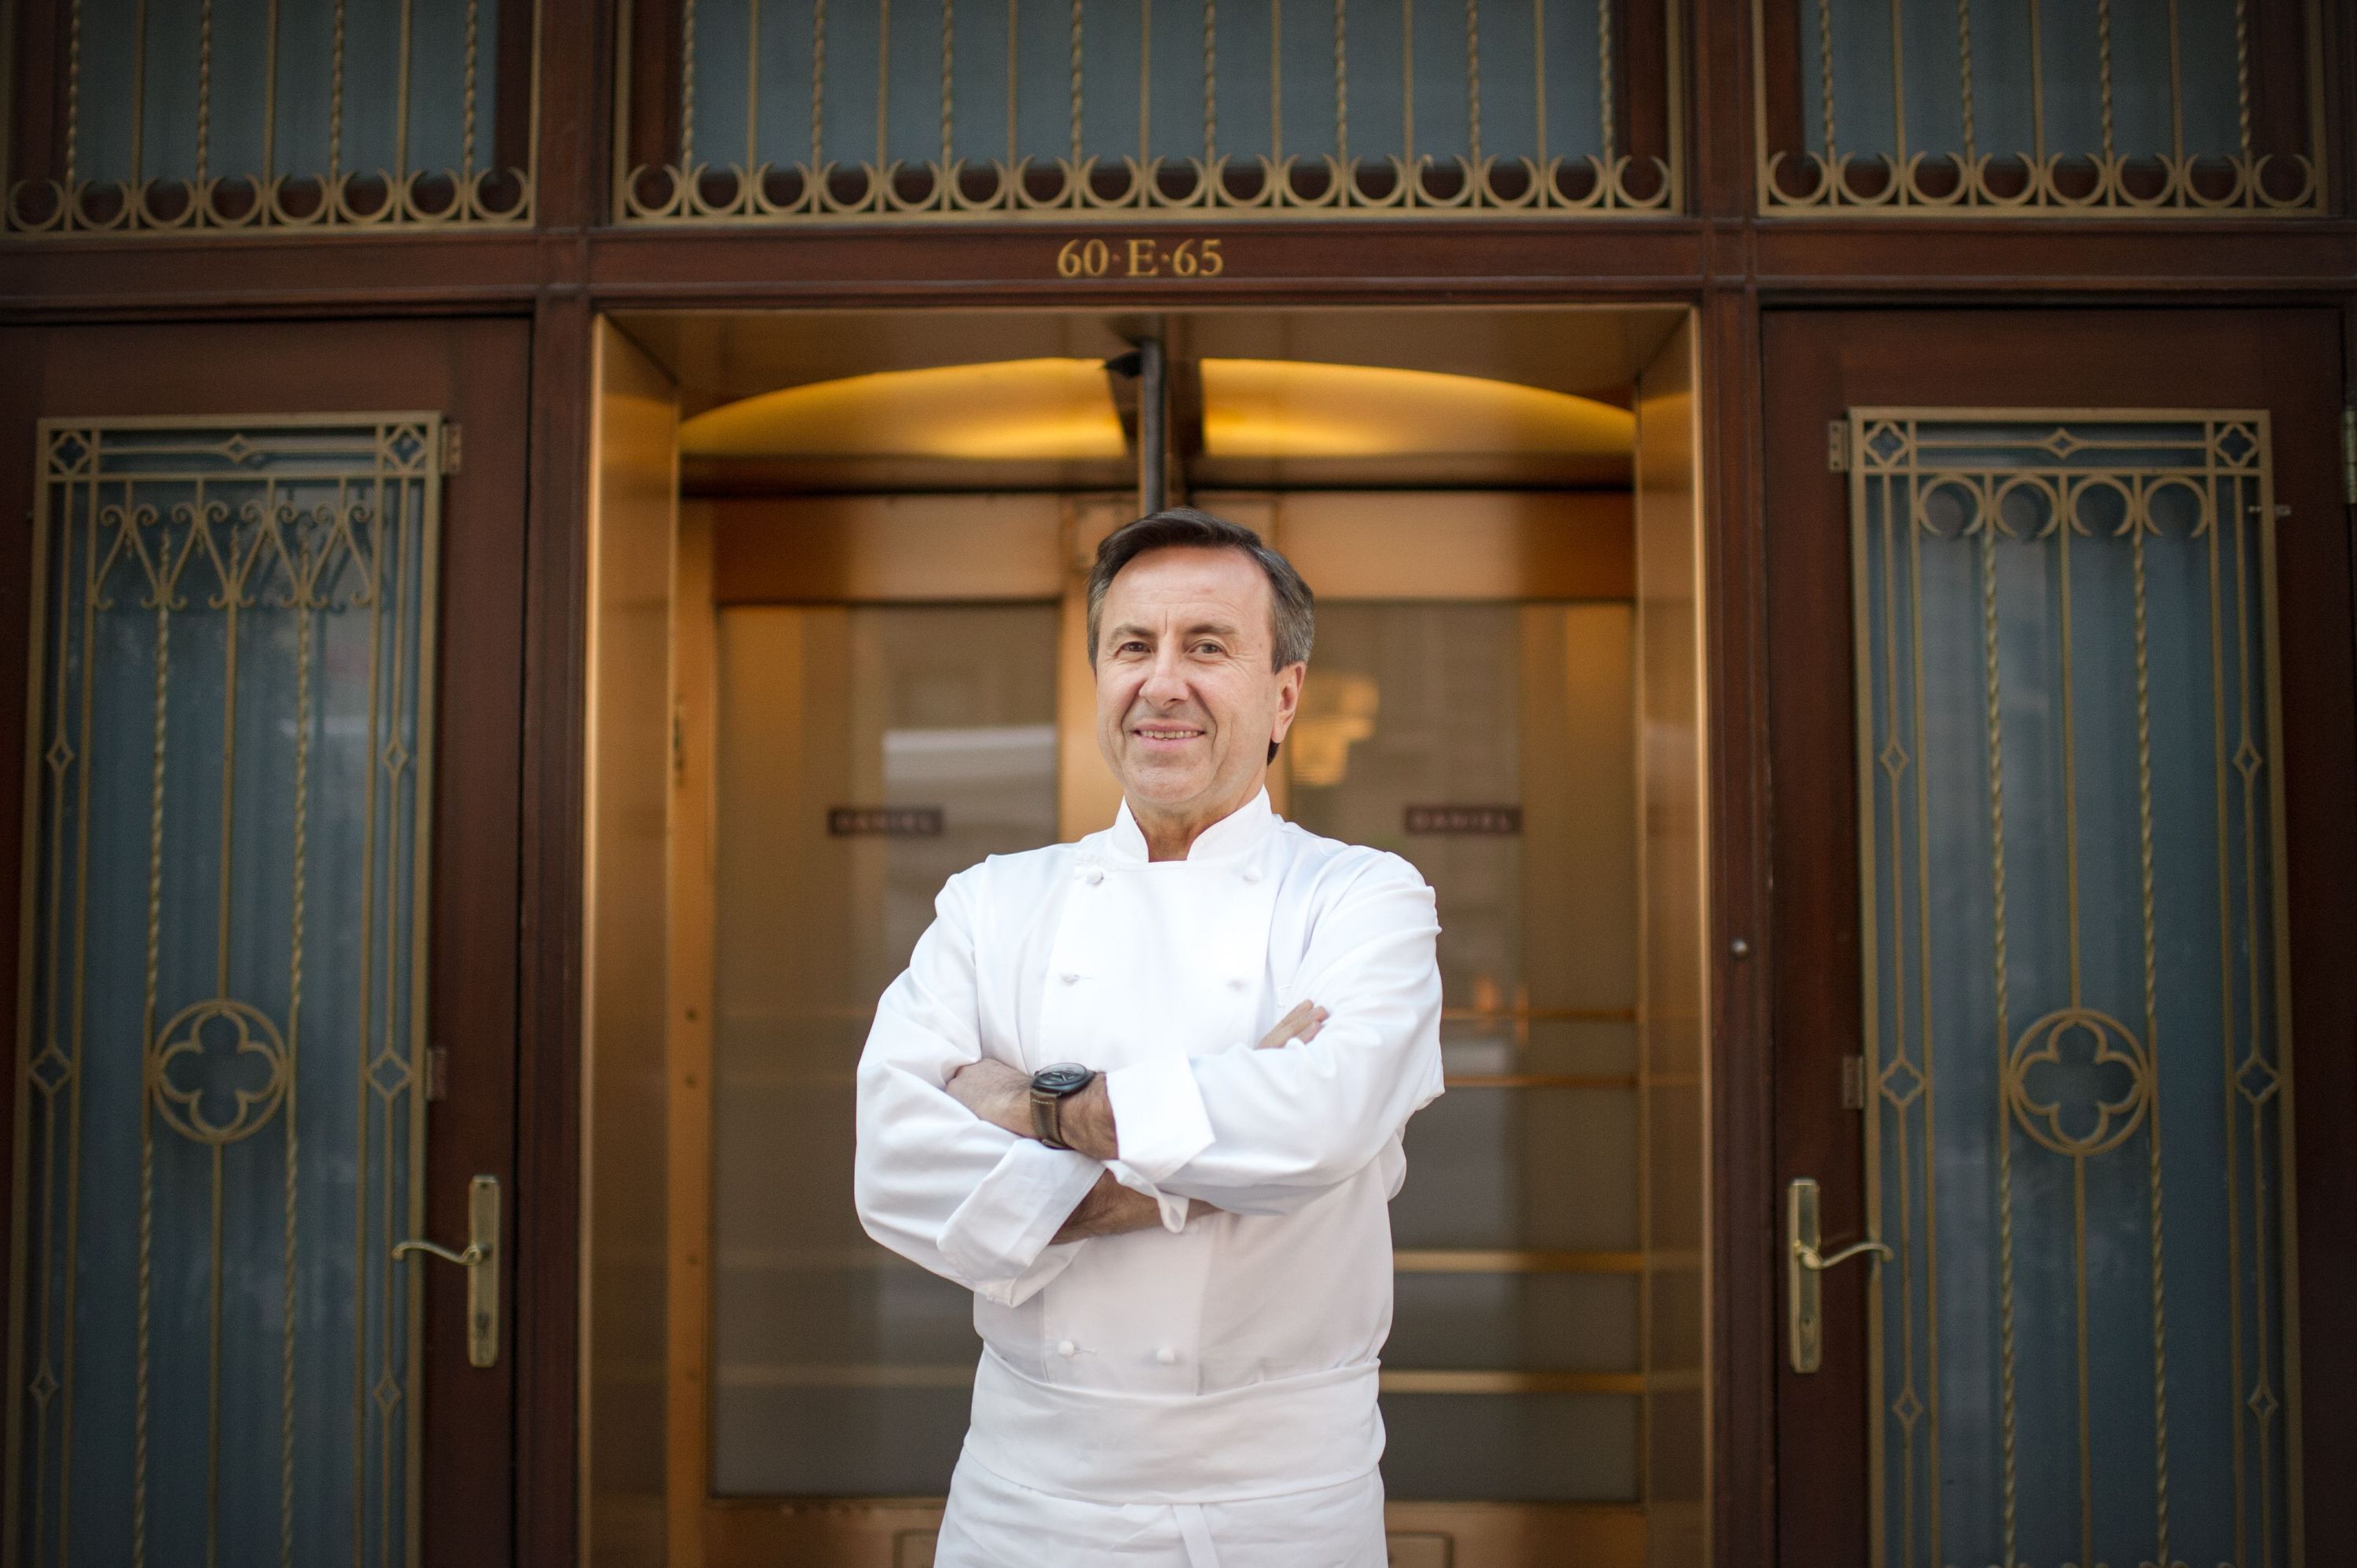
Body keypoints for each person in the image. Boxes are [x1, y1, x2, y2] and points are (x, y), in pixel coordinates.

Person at [853, 507, 1445, 1568]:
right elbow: (894, 1163)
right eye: (1133, 646)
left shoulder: (1360, 898)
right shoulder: (992, 904)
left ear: (1284, 697)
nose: (1162, 682)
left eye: (1207, 647)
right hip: (1031, 1499)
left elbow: (1323, 1119)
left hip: (1285, 1505)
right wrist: (1214, 1151)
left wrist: (1043, 1108)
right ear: (1099, 683)